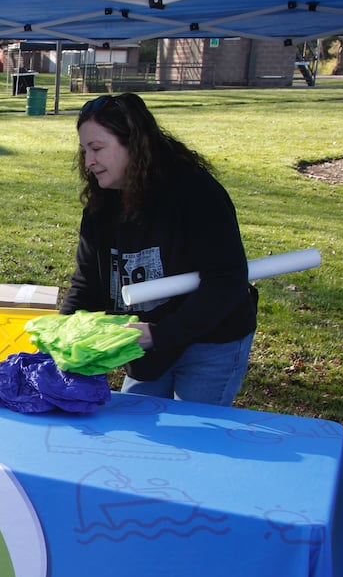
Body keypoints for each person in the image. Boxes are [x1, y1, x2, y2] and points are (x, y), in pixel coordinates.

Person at [61, 92, 256, 406]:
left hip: (210, 338)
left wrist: (157, 334)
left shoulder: (196, 194)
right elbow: (88, 285)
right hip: (144, 344)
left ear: (134, 145)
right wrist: (61, 339)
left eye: (97, 149)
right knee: (136, 426)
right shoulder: (101, 205)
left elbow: (226, 283)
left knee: (192, 435)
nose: (88, 161)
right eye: (84, 150)